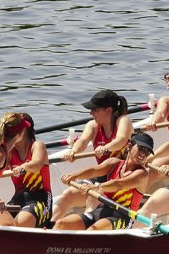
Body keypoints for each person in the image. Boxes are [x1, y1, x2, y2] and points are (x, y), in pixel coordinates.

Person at [51, 89, 134, 220]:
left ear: (108, 110)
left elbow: (121, 140)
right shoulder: (93, 125)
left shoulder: (123, 121)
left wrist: (105, 148)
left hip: (124, 178)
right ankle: (49, 226)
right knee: (67, 195)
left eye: (95, 109)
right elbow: (83, 141)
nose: (91, 113)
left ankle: (86, 225)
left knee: (93, 198)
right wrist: (73, 151)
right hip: (103, 176)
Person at [52, 133, 153, 231]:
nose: (143, 154)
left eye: (147, 152)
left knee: (92, 231)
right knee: (61, 224)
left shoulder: (142, 174)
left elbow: (119, 184)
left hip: (123, 216)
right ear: (129, 146)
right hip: (103, 209)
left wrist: (96, 187)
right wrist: (74, 175)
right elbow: (94, 170)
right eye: (141, 148)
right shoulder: (114, 163)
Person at [0, 112, 53, 228]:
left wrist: (24, 167)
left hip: (40, 199)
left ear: (23, 131)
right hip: (18, 198)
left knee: (21, 222)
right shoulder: (10, 152)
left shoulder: (37, 145)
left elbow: (37, 164)